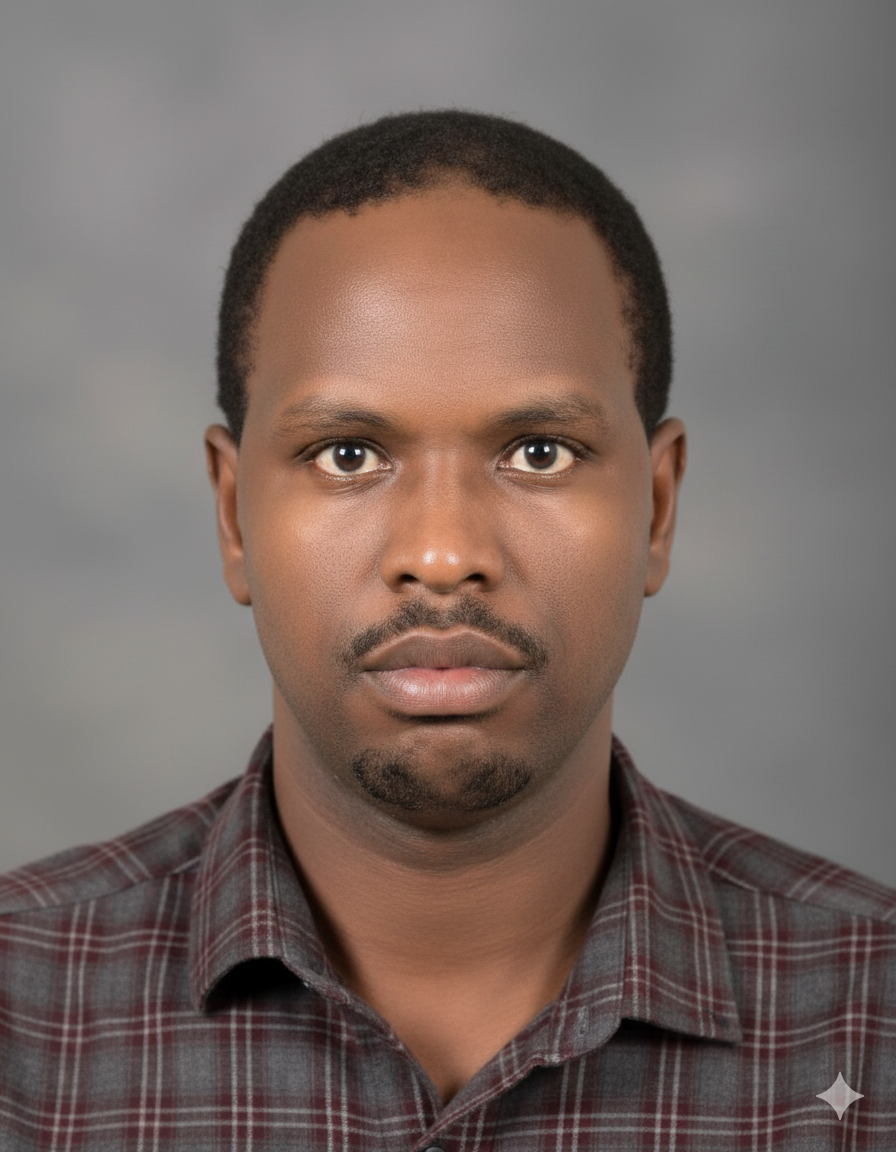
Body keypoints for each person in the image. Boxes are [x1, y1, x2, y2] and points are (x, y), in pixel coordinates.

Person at [0, 110, 893, 1151]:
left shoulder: (868, 1018)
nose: (440, 552)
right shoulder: (21, 1026)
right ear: (229, 515)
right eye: (345, 454)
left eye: (538, 453)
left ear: (655, 509)